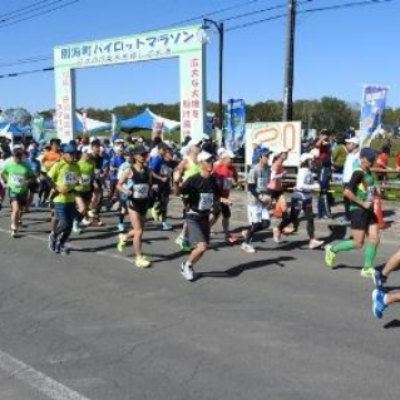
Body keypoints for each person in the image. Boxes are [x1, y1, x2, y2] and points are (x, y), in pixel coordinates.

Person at [325, 148, 380, 277]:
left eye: (373, 160)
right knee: (358, 243)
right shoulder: (358, 173)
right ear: (363, 158)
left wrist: (376, 190)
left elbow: (368, 186)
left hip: (369, 210)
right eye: (370, 160)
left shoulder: (368, 171)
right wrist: (362, 203)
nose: (372, 162)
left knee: (374, 238)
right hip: (358, 210)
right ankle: (332, 250)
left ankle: (367, 268)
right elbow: (347, 192)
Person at [180, 151, 230, 281]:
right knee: (201, 246)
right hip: (193, 216)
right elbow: (179, 191)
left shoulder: (213, 180)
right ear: (201, 163)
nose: (211, 164)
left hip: (204, 217)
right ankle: (187, 265)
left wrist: (223, 200)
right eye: (208, 161)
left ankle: (188, 264)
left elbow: (216, 196)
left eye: (212, 161)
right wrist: (175, 182)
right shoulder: (193, 179)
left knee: (203, 248)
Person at [273, 153, 324, 249]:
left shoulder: (308, 171)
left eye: (312, 160)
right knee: (293, 217)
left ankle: (312, 240)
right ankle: (278, 229)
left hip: (307, 198)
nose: (312, 162)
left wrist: (315, 184)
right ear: (306, 161)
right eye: (310, 160)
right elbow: (300, 185)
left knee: (310, 219)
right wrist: (313, 186)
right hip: (299, 198)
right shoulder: (302, 171)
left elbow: (309, 183)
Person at [116, 145, 153, 268]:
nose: (144, 157)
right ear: (135, 156)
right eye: (142, 155)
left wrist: (152, 189)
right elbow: (119, 185)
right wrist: (126, 191)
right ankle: (138, 257)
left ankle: (124, 237)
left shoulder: (148, 170)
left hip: (144, 203)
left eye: (145, 154)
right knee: (138, 232)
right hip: (133, 204)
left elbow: (148, 185)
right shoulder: (129, 170)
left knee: (140, 231)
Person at [47, 144, 81, 254]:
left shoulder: (76, 166)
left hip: (71, 198)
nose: (73, 156)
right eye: (70, 153)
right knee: (65, 223)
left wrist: (78, 182)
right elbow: (47, 178)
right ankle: (53, 236)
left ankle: (61, 244)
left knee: (70, 226)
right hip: (60, 199)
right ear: (64, 154)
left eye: (74, 153)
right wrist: (57, 187)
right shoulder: (59, 165)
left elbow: (76, 180)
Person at [241, 147, 273, 253]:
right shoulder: (254, 170)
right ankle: (245, 244)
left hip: (263, 201)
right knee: (256, 224)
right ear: (260, 157)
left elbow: (267, 185)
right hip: (254, 201)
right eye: (266, 156)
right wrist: (260, 196)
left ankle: (248, 232)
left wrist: (269, 196)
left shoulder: (268, 169)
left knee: (266, 223)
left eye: (269, 156)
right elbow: (251, 187)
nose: (268, 158)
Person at [1, 147, 35, 237]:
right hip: (13, 190)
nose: (16, 158)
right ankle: (14, 227)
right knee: (15, 209)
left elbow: (32, 176)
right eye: (14, 156)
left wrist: (28, 181)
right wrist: (6, 181)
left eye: (18, 156)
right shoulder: (8, 164)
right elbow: (2, 172)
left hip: (23, 190)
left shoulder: (26, 165)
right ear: (12, 156)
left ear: (21, 157)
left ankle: (18, 220)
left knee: (21, 209)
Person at [210, 149, 239, 243]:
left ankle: (227, 234)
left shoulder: (232, 168)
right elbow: (211, 183)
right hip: (217, 196)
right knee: (215, 215)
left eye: (233, 159)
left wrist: (237, 182)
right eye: (230, 159)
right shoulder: (217, 169)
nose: (232, 161)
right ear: (224, 159)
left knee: (226, 215)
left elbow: (235, 179)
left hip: (226, 196)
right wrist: (217, 198)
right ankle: (204, 230)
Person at [150, 143, 176, 231]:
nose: (171, 154)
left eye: (172, 153)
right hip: (158, 185)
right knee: (162, 202)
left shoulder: (171, 163)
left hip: (166, 185)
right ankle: (156, 211)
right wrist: (159, 179)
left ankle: (163, 222)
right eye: (168, 152)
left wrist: (172, 184)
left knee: (165, 202)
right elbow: (151, 172)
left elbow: (172, 174)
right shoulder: (157, 160)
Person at [73, 146, 96, 233]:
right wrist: (78, 179)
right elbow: (73, 175)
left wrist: (95, 181)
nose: (90, 155)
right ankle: (75, 223)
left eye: (90, 153)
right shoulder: (77, 164)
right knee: (82, 208)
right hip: (77, 189)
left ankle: (76, 219)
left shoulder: (92, 163)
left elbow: (92, 174)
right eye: (88, 153)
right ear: (83, 153)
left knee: (85, 209)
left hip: (88, 189)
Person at [341, 137, 360, 223]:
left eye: (349, 143)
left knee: (353, 200)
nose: (347, 145)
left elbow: (357, 169)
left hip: (352, 181)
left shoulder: (358, 155)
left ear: (354, 145)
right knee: (346, 200)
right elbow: (346, 168)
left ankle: (354, 217)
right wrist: (343, 179)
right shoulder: (349, 155)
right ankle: (348, 216)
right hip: (346, 181)